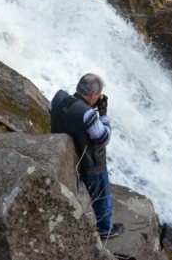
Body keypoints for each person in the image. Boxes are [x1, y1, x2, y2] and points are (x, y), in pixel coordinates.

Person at [50, 73, 124, 240]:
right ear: (93, 95)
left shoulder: (59, 97)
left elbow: (51, 110)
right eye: (98, 95)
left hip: (67, 157)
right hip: (90, 162)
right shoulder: (87, 114)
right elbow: (104, 137)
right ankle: (105, 229)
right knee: (101, 198)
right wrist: (103, 113)